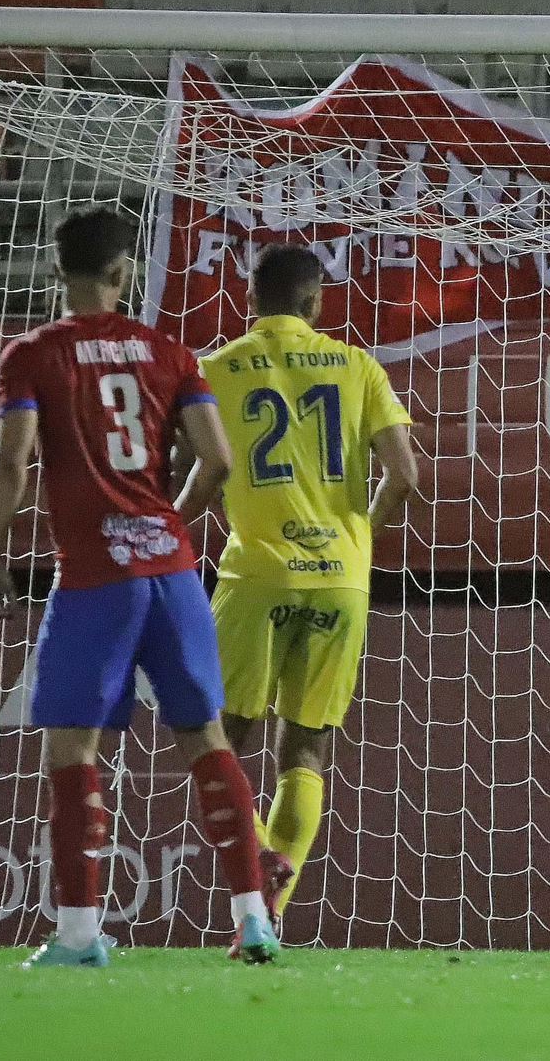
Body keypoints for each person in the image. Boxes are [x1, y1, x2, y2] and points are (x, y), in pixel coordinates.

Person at [0, 206, 280, 967]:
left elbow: (12, 466)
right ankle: (254, 918)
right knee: (205, 738)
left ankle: (80, 934)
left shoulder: (33, 354)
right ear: (124, 274)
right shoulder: (171, 354)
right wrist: (166, 525)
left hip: (94, 578)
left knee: (72, 746)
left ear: (59, 272)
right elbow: (216, 462)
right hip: (172, 573)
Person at [201, 243, 417, 950]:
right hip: (340, 577)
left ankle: (253, 902)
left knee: (220, 742)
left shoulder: (217, 369)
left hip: (255, 574)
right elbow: (406, 475)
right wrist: (356, 536)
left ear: (251, 299)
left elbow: (200, 468)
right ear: (315, 301)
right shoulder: (357, 366)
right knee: (307, 749)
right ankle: (273, 911)